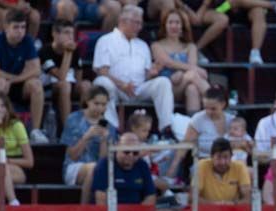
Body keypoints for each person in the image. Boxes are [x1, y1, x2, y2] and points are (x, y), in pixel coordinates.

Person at [92, 5, 176, 138]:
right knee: (102, 82)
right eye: (136, 23)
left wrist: (153, 72)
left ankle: (166, 129)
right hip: (117, 88)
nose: (140, 27)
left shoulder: (142, 45)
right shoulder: (106, 41)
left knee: (163, 82)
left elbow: (146, 76)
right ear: (122, 21)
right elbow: (102, 71)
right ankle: (112, 130)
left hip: (138, 88)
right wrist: (122, 85)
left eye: (140, 23)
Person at [0, 9, 45, 142]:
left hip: (18, 85)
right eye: (16, 27)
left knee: (36, 84)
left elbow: (36, 70)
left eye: (23, 27)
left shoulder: (28, 41)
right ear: (6, 27)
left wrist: (12, 80)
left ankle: (35, 131)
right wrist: (11, 79)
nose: (20, 31)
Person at [61, 85, 118, 204]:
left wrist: (104, 140)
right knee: (94, 168)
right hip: (74, 167)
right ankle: (85, 210)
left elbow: (103, 160)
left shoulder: (110, 127)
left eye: (103, 105)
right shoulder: (74, 119)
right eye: (96, 103)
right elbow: (71, 156)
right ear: (88, 101)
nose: (100, 108)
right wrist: (87, 137)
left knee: (97, 169)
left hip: (98, 170)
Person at [168, 86, 233, 183]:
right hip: (204, 163)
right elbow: (185, 144)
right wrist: (173, 168)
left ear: (223, 104)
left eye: (213, 109)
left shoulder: (232, 120)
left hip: (227, 163)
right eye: (206, 108)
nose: (208, 112)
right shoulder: (198, 119)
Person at [152, 8, 210, 116]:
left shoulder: (190, 47)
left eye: (177, 23)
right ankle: (217, 100)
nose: (174, 26)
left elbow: (192, 65)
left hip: (183, 86)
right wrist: (195, 70)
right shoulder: (157, 46)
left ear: (182, 26)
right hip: (167, 88)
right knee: (192, 74)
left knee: (192, 89)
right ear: (165, 25)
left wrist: (182, 73)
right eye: (170, 22)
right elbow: (168, 62)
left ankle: (192, 125)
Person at [42, 19, 89, 138]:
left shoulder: (75, 51)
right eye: (66, 33)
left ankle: (86, 125)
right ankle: (69, 129)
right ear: (55, 34)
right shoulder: (45, 51)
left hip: (69, 86)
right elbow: (61, 77)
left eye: (72, 34)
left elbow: (79, 74)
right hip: (51, 88)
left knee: (86, 85)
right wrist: (68, 53)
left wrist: (80, 85)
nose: (70, 37)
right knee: (65, 85)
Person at [92, 131, 158, 205]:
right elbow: (100, 199)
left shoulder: (142, 165)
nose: (131, 155)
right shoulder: (104, 164)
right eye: (126, 151)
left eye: (135, 153)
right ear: (117, 147)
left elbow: (151, 196)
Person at [194, 136, 251, 203]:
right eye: (219, 157)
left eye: (226, 157)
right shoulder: (202, 166)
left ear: (231, 157)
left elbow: (248, 198)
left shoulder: (240, 167)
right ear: (211, 157)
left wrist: (233, 204)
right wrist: (215, 205)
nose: (222, 162)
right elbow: (193, 197)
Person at [54, 0, 122, 34]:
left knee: (114, 7)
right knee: (65, 6)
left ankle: (105, 44)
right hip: (70, 2)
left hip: (94, 6)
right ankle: (68, 45)